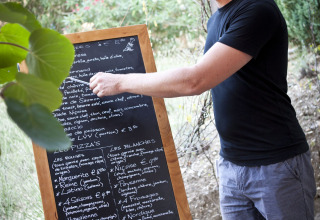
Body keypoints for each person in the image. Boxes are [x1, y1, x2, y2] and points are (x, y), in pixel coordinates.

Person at [90, 0, 316, 219]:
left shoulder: (257, 9)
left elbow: (195, 80)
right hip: (231, 165)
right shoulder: (216, 18)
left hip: (276, 165)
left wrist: (120, 83)